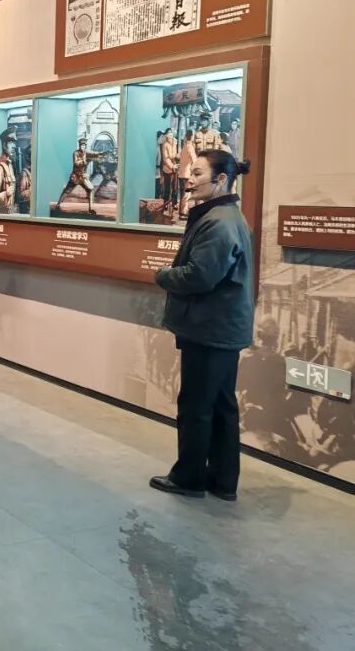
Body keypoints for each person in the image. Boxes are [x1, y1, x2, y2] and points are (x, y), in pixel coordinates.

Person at [151, 150, 254, 501]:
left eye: (197, 173)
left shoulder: (219, 222)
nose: (189, 179)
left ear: (221, 179)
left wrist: (163, 275)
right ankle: (222, 481)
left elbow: (199, 276)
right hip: (220, 328)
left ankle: (189, 478)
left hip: (210, 329)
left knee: (196, 406)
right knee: (221, 405)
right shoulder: (225, 217)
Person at [56, 138, 101, 214]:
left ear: (85, 146)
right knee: (67, 191)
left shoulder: (86, 152)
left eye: (83, 145)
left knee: (90, 189)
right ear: (79, 146)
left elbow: (94, 154)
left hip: (83, 177)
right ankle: (58, 205)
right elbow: (76, 163)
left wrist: (100, 154)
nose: (82, 147)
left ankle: (90, 208)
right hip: (75, 176)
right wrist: (84, 161)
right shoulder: (75, 153)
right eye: (81, 145)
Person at [177, 130, 196, 218]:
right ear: (191, 136)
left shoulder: (184, 146)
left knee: (182, 193)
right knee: (186, 194)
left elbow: (178, 157)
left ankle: (181, 211)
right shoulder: (190, 147)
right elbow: (194, 160)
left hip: (181, 173)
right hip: (187, 173)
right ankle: (183, 212)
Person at [159, 128, 178, 211]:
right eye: (169, 133)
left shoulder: (175, 142)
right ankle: (166, 204)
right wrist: (172, 166)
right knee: (167, 188)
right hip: (167, 168)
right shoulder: (165, 144)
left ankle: (174, 203)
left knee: (175, 187)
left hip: (176, 167)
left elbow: (177, 154)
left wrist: (176, 164)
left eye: (171, 132)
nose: (170, 134)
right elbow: (165, 158)